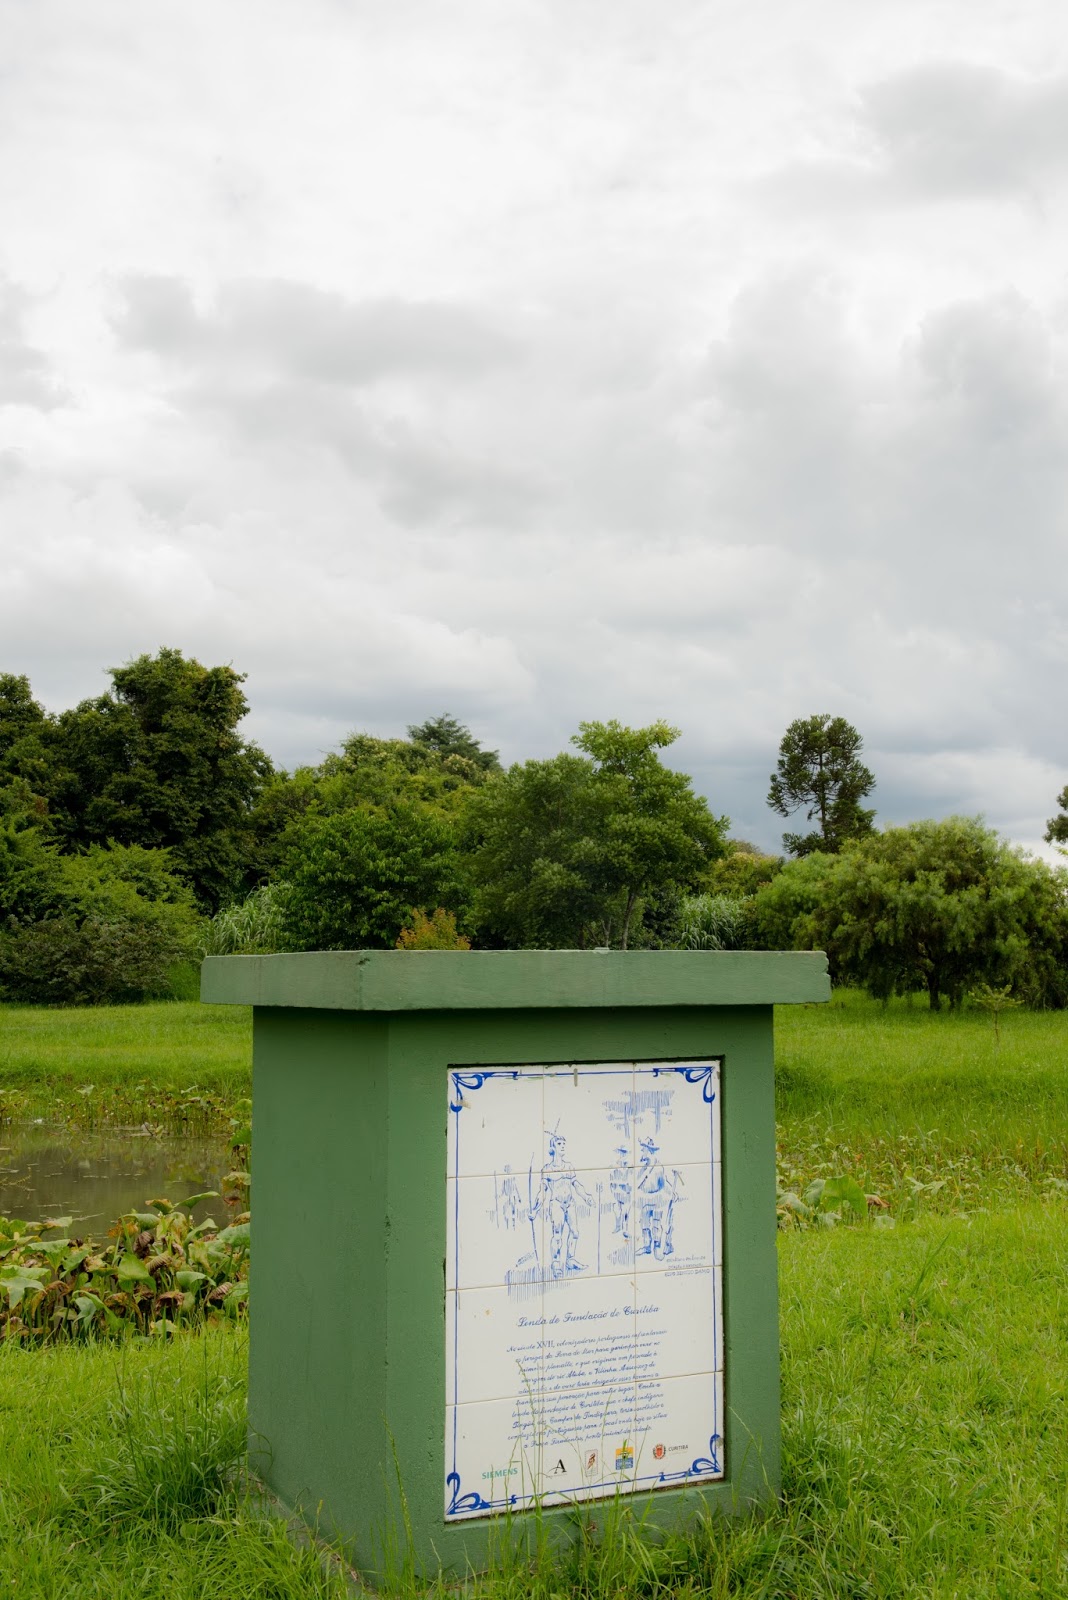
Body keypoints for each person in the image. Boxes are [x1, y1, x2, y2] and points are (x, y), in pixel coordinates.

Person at [531, 1130, 590, 1277]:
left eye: (564, 1144)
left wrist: (586, 1196)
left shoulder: (569, 1166)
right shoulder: (547, 1169)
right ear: (553, 1147)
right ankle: (556, 1263)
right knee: (557, 1234)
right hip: (556, 1204)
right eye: (559, 1144)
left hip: (570, 1203)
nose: (562, 1146)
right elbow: (542, 1192)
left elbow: (576, 1185)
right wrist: (535, 1209)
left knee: (575, 1232)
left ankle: (570, 1260)